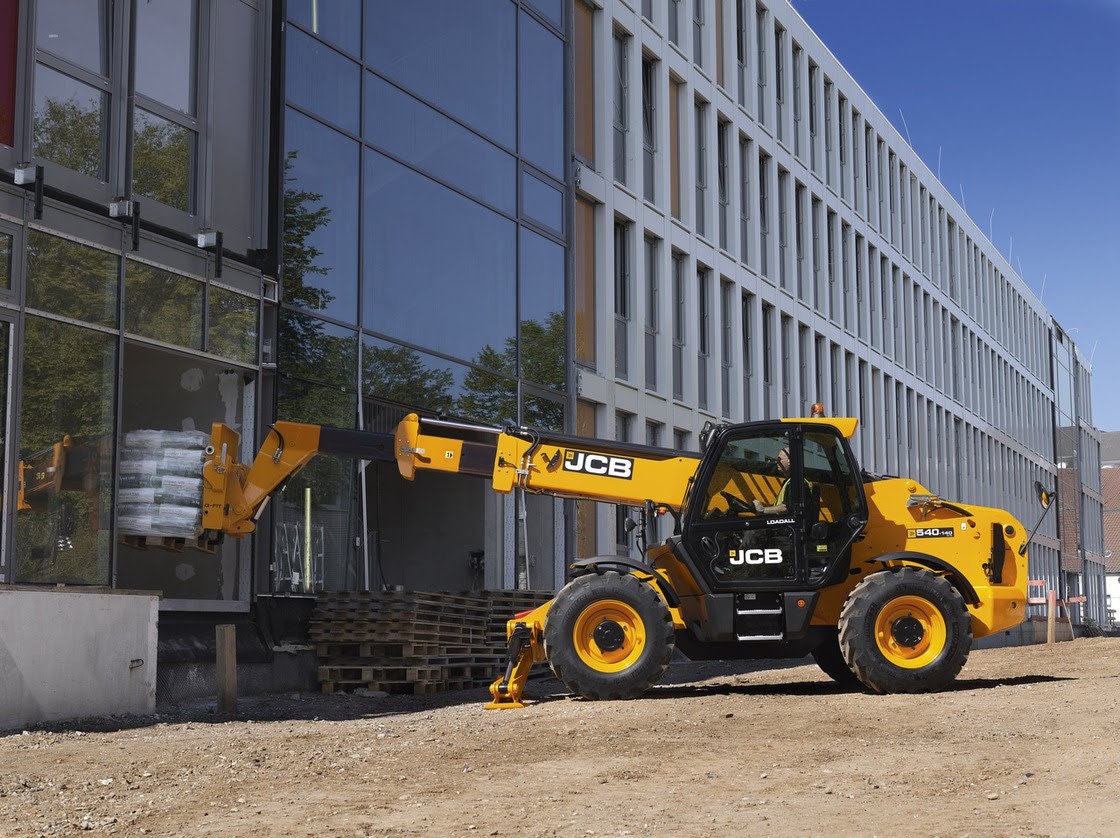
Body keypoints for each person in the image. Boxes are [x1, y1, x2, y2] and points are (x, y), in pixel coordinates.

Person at [754, 447, 795, 514]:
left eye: (779, 459)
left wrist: (762, 509)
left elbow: (786, 507)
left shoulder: (795, 482)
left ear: (789, 461)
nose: (776, 462)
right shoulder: (789, 481)